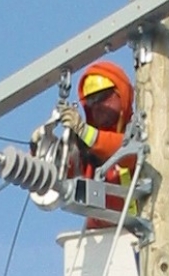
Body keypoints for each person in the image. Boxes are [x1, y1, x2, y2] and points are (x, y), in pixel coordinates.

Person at [58, 60, 137, 221]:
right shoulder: (87, 149)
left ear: (120, 94)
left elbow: (125, 151)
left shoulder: (137, 130)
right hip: (101, 238)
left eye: (102, 97)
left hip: (137, 234)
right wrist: (42, 145)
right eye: (90, 101)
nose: (96, 106)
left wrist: (84, 131)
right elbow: (57, 173)